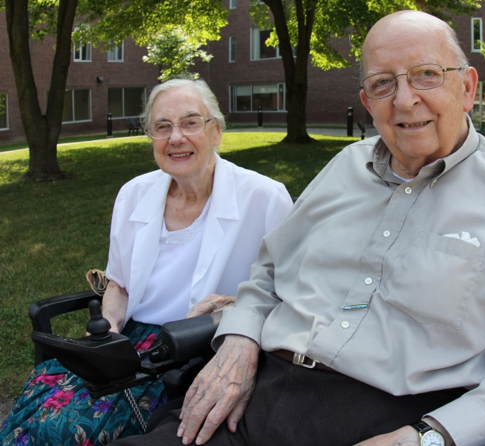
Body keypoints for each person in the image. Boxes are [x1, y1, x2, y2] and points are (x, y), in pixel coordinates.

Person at [111, 11, 485, 446]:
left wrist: (428, 438)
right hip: (257, 399)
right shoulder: (343, 167)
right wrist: (240, 340)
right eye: (383, 84)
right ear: (367, 101)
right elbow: (267, 275)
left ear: (466, 87)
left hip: (386, 423)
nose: (405, 100)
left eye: (426, 74)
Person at [0, 78, 293, 446]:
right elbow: (119, 283)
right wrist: (108, 328)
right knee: (35, 406)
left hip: (200, 349)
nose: (176, 138)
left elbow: (292, 292)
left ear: (216, 131)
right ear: (150, 136)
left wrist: (234, 305)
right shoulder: (134, 193)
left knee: (71, 432)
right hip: (130, 344)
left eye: (190, 123)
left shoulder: (264, 198)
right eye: (162, 126)